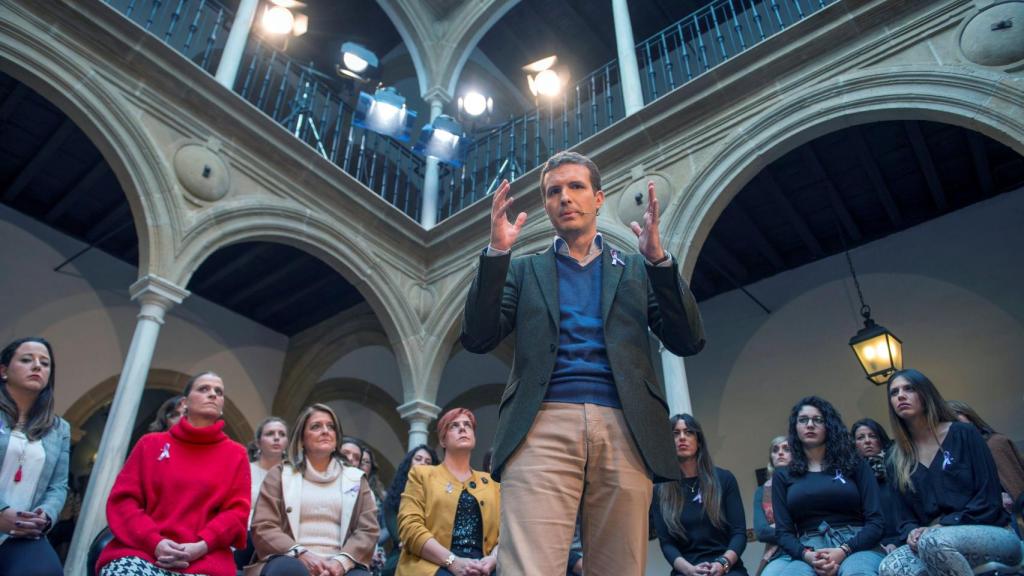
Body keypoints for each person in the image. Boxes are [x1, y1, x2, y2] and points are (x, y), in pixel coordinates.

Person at [461, 150, 705, 574]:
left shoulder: (634, 270)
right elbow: (479, 337)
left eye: (576, 187)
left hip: (625, 426)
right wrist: (497, 255)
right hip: (541, 426)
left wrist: (658, 262)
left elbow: (687, 338)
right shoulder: (524, 270)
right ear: (545, 206)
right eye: (554, 191)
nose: (564, 197)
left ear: (598, 198)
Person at [98, 371, 250, 576]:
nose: (213, 394)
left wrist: (201, 546)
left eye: (219, 391)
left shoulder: (236, 454)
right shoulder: (150, 444)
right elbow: (124, 502)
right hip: (142, 552)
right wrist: (155, 542)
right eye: (204, 389)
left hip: (205, 559)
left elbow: (236, 513)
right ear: (185, 402)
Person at [878, 370, 1021, 576]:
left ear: (926, 394)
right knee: (891, 566)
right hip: (932, 541)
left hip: (993, 533)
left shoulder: (964, 434)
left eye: (909, 388)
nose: (900, 395)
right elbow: (903, 517)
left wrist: (942, 526)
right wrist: (911, 532)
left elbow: (989, 500)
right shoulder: (895, 457)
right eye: (894, 392)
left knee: (933, 542)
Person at [247, 403, 379, 576]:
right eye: (316, 426)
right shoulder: (279, 475)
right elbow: (264, 526)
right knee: (287, 570)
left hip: (341, 565)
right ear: (302, 439)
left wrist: (339, 563)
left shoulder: (357, 479)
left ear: (336, 438)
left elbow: (368, 530)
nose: (325, 431)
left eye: (330, 427)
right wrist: (301, 553)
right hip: (291, 559)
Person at [768, 396, 885, 576]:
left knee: (857, 573)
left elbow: (876, 521)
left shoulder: (856, 465)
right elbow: (784, 533)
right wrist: (808, 556)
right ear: (795, 427)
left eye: (818, 420)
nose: (809, 424)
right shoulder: (783, 475)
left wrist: (843, 551)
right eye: (803, 420)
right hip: (808, 549)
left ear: (829, 425)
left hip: (858, 544)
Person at [397, 408, 499, 575]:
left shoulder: (492, 483)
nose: (462, 428)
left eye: (468, 425)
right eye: (454, 426)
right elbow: (409, 526)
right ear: (443, 441)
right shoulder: (422, 475)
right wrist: (452, 561)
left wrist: (493, 560)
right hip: (432, 564)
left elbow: (507, 531)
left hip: (484, 565)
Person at [0, 337, 69, 576]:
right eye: (27, 360)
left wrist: (45, 515)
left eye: (45, 363)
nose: (37, 366)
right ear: (3, 371)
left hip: (22, 532)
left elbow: (58, 486)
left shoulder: (60, 429)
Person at [653, 414, 747, 576]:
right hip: (685, 570)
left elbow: (739, 533)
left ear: (699, 441)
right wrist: (689, 570)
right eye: (675, 433)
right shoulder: (660, 490)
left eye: (688, 432)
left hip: (727, 568)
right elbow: (667, 543)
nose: (682, 437)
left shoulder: (724, 479)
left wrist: (722, 563)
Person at [947, 399, 1024, 510]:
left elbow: (1015, 485)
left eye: (956, 415)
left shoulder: (996, 443)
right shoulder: (953, 456)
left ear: (969, 417)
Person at [236, 417, 289, 569]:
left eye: (282, 434)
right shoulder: (244, 469)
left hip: (282, 537)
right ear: (258, 442)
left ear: (287, 443)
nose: (277, 437)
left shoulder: (294, 475)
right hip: (246, 537)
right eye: (270, 433)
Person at [381, 445, 437, 576]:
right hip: (403, 553)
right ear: (409, 463)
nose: (423, 463)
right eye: (418, 459)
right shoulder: (393, 497)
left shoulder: (439, 496)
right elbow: (401, 539)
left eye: (428, 462)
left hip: (434, 552)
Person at [850, 418, 902, 553]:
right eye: (860, 437)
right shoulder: (848, 477)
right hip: (866, 545)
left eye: (872, 436)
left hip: (902, 539)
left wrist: (897, 542)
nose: (867, 441)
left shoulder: (899, 468)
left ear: (882, 439)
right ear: (853, 444)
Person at [752, 436, 791, 576]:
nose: (780, 453)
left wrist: (777, 526)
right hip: (778, 553)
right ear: (771, 459)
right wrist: (792, 528)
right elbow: (762, 532)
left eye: (786, 449)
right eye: (775, 450)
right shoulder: (762, 492)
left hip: (810, 545)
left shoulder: (803, 484)